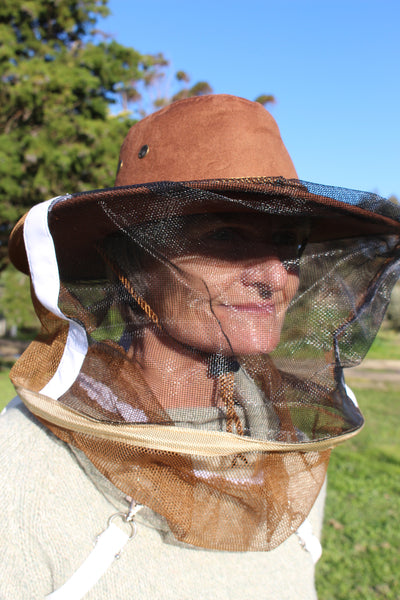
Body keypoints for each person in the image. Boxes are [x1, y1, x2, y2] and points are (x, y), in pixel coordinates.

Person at [1, 94, 400, 599]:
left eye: (288, 241)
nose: (276, 275)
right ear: (128, 266)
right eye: (227, 235)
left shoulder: (288, 441)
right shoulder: (20, 469)